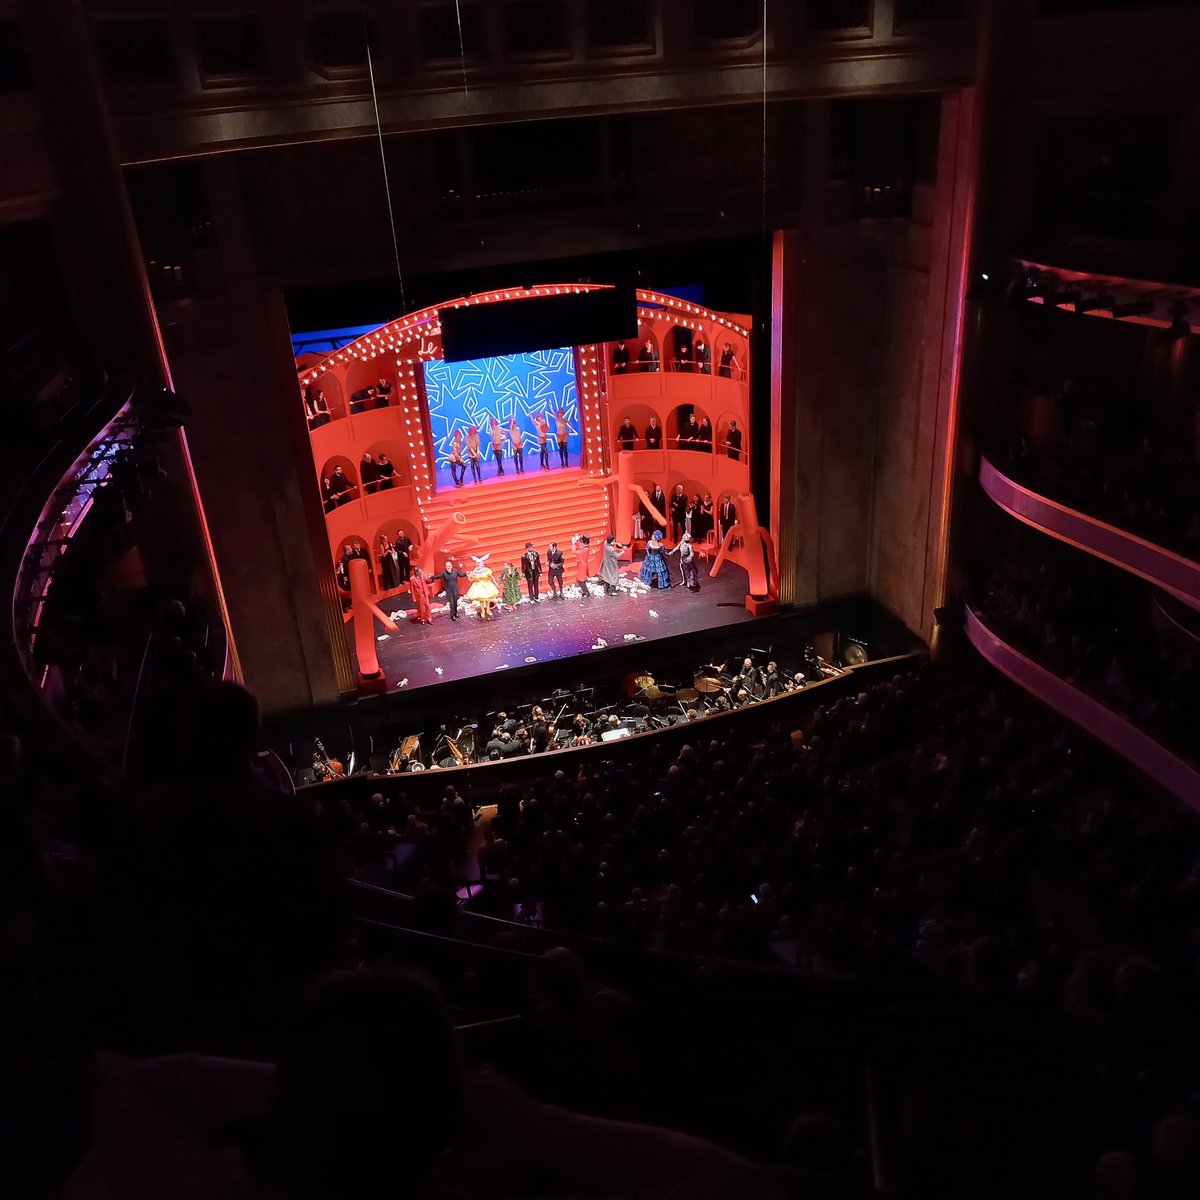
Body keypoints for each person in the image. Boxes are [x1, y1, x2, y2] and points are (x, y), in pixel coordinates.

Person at [465, 555, 500, 620]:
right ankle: (483, 611)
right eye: (478, 563)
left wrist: (495, 582)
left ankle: (488, 609)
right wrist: (469, 576)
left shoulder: (486, 570)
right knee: (481, 599)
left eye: (480, 563)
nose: (479, 564)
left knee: (487, 598)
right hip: (479, 586)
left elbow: (491, 576)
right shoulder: (475, 571)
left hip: (487, 585)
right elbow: (471, 579)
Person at [572, 534, 593, 599]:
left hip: (582, 566)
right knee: (580, 579)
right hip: (581, 564)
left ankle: (586, 592)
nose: (581, 542)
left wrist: (573, 544)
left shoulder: (585, 550)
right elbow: (580, 546)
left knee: (581, 580)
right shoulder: (585, 547)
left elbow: (574, 551)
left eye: (581, 542)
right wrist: (577, 540)